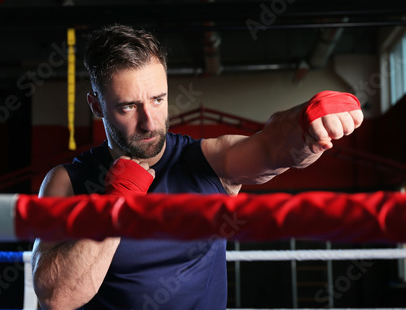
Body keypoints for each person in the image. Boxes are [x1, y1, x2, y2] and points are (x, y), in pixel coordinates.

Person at [31, 24, 363, 310]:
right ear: (97, 105)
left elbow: (272, 148)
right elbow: (56, 298)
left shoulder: (207, 163)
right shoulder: (68, 182)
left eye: (158, 100)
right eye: (129, 107)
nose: (149, 122)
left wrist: (307, 124)